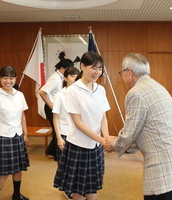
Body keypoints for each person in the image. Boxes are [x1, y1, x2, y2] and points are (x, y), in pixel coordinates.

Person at [105, 53, 172, 200]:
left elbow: (130, 132)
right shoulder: (157, 86)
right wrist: (121, 143)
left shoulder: (136, 93)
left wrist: (114, 144)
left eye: (121, 73)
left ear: (129, 72)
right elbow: (145, 130)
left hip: (162, 165)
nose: (122, 77)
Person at [53, 52, 110, 200]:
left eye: (100, 68)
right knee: (78, 189)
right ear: (82, 66)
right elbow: (78, 123)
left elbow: (103, 117)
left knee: (92, 187)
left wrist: (107, 138)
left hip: (95, 145)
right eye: (93, 68)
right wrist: (102, 140)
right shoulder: (72, 90)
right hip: (78, 145)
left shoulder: (101, 90)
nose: (97, 72)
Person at [0, 66, 30, 200]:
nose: (8, 81)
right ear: (0, 78)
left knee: (18, 169)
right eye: (5, 78)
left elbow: (22, 116)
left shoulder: (20, 95)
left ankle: (16, 195)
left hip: (18, 136)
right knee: (4, 172)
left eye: (11, 78)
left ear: (15, 79)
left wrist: (26, 134)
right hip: (3, 137)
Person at [39, 52, 74, 161]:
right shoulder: (55, 79)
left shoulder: (60, 77)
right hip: (52, 108)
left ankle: (51, 150)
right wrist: (50, 105)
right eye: (69, 70)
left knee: (56, 131)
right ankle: (55, 153)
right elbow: (41, 92)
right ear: (63, 68)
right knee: (57, 130)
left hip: (58, 107)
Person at [52, 66, 79, 200]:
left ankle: (75, 188)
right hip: (63, 133)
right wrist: (58, 138)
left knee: (76, 165)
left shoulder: (80, 93)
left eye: (76, 76)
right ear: (65, 78)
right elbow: (55, 117)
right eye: (72, 76)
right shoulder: (59, 95)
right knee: (64, 164)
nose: (74, 78)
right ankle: (67, 189)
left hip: (78, 135)